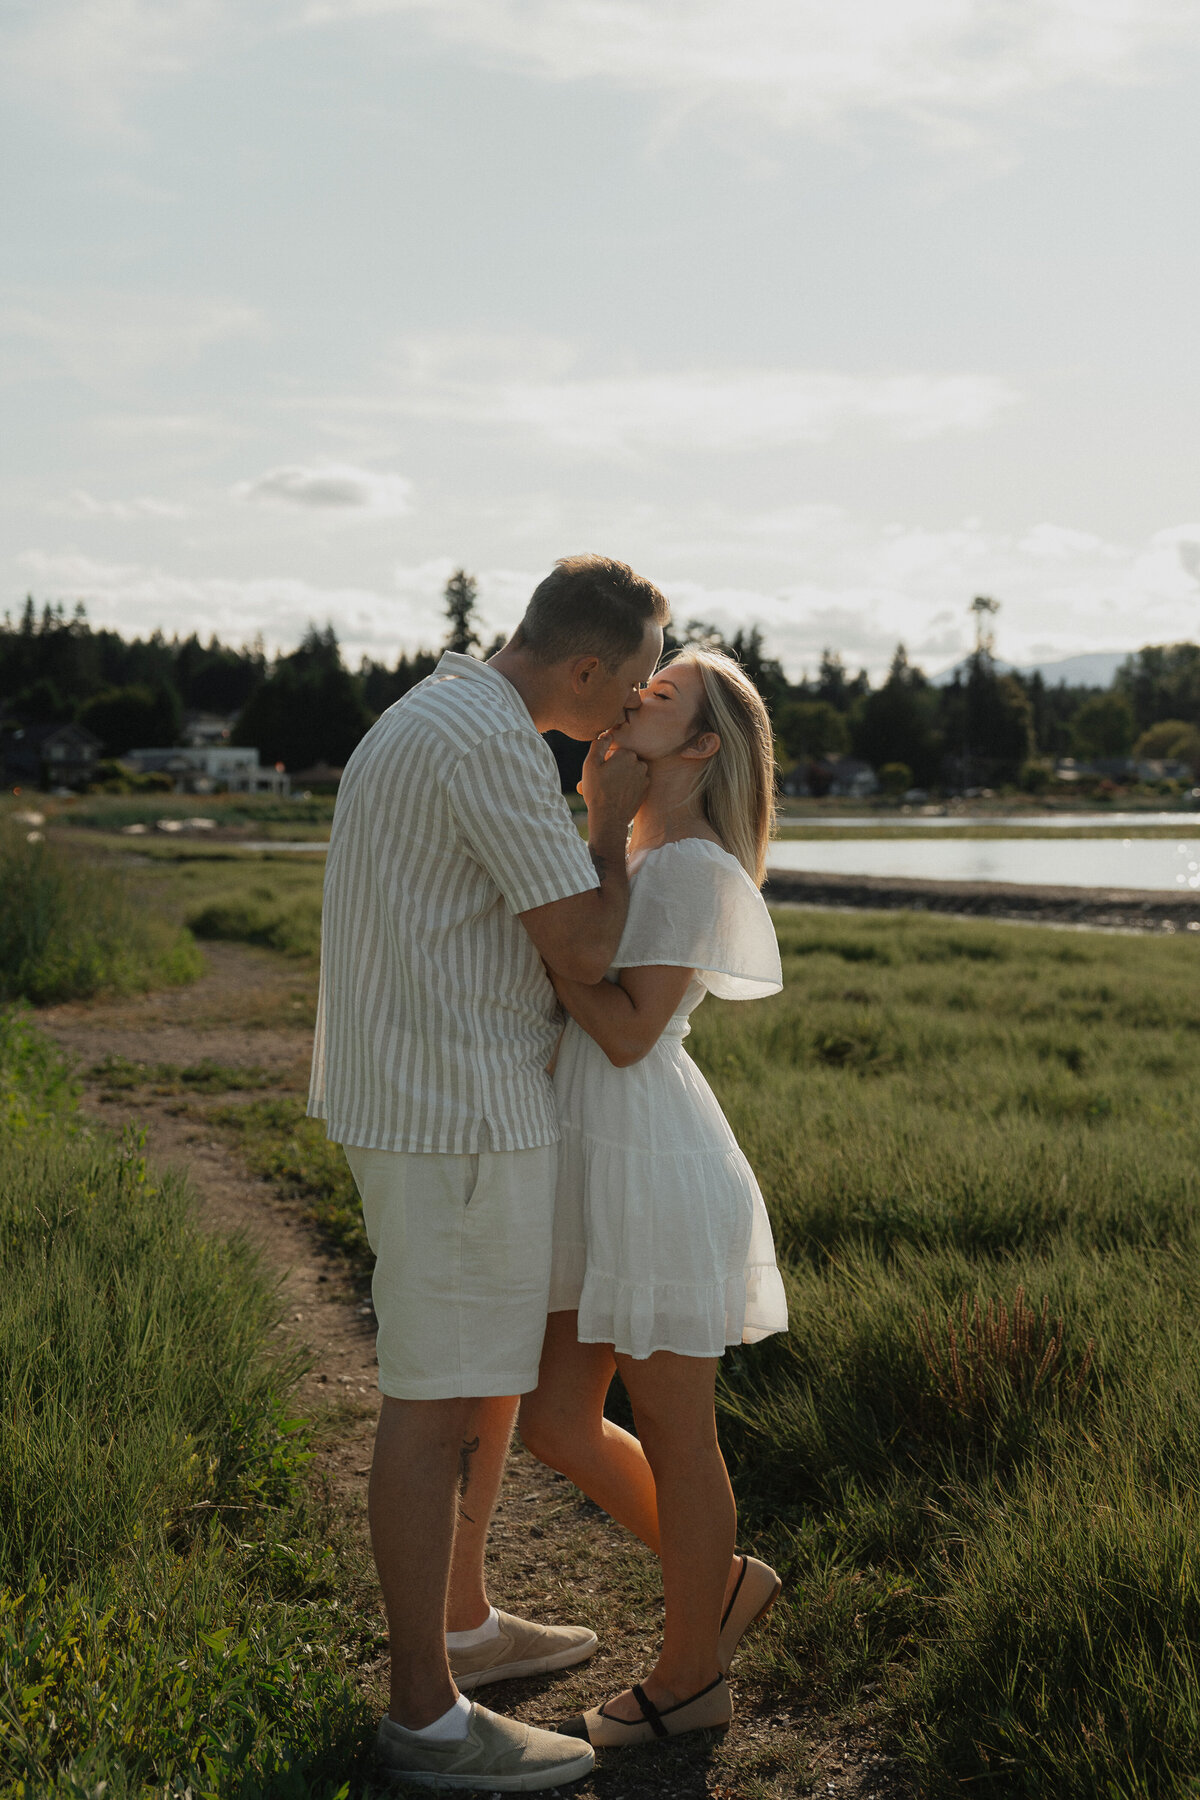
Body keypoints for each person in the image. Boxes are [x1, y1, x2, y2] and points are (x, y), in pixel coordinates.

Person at [308, 554, 669, 1790]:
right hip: (450, 1111)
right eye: (626, 689)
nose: (630, 711)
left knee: (479, 1384)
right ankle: (423, 1717)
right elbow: (577, 938)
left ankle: (462, 1621)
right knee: (435, 1403)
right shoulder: (499, 745)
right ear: (582, 670)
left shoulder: (431, 709)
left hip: (422, 1097)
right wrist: (612, 819)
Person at [518, 646, 790, 1749]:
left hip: (652, 1160)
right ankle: (722, 1587)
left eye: (661, 697)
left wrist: (550, 942)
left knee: (680, 1438)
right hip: (597, 1157)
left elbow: (630, 1032)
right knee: (555, 1419)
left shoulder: (690, 868)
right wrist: (595, 830)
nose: (635, 699)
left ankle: (691, 1678)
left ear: (702, 747)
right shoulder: (638, 846)